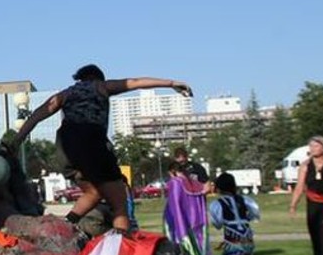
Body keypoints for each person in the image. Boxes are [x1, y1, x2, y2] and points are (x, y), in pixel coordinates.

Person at [10, 64, 192, 234]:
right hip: (92, 143)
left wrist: (17, 141)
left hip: (66, 147)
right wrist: (171, 83)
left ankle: (66, 227)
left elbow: (37, 116)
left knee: (94, 192)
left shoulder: (65, 94)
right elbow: (135, 83)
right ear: (98, 78)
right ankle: (122, 250)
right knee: (119, 205)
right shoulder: (101, 86)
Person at [164, 160, 212, 255]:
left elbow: (175, 205)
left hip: (182, 223)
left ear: (172, 172)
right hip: (196, 223)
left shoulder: (175, 183)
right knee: (196, 246)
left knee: (185, 250)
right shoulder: (195, 184)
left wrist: (177, 224)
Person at [209, 172, 260, 255]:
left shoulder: (218, 203)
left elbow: (218, 223)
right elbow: (255, 213)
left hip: (233, 238)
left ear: (218, 188)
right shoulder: (244, 199)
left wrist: (222, 223)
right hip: (247, 237)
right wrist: (246, 219)